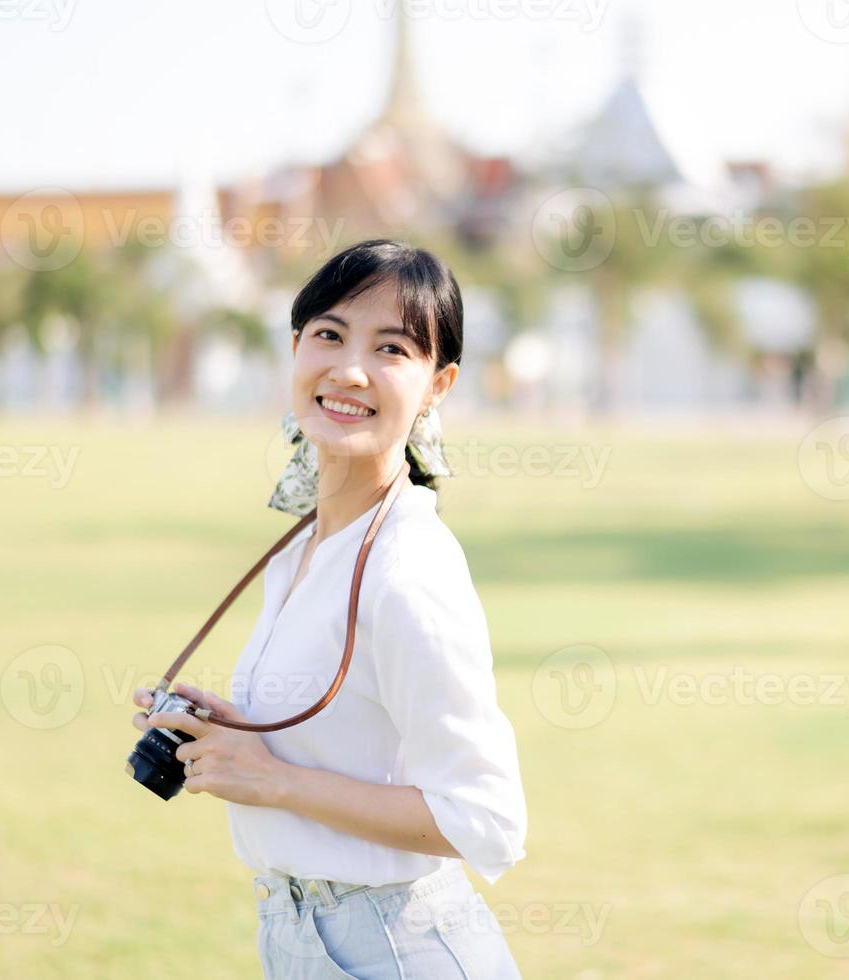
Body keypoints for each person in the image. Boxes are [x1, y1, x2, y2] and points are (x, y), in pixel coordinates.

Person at [132, 239, 527, 978]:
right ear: (294, 348)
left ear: (438, 386)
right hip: (299, 938)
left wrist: (274, 780)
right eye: (330, 334)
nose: (349, 370)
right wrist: (227, 734)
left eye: (392, 348)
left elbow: (488, 820)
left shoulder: (409, 566)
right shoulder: (302, 546)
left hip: (399, 948)